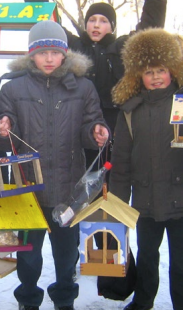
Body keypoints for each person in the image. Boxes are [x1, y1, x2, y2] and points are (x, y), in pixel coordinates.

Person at [0, 20, 110, 310]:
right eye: (42, 52)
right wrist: (4, 129)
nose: (49, 58)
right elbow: (5, 139)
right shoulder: (13, 88)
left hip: (68, 187)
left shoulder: (83, 87)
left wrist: (96, 130)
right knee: (29, 255)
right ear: (31, 54)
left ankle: (64, 299)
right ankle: (29, 299)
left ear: (65, 54)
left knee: (65, 254)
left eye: (55, 52)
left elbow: (89, 126)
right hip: (28, 188)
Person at [110, 28, 183, 310]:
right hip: (145, 201)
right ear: (137, 74)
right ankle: (143, 301)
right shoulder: (130, 110)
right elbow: (122, 162)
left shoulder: (181, 103)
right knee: (146, 257)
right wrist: (117, 203)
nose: (155, 77)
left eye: (161, 70)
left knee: (180, 263)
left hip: (180, 200)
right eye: (148, 71)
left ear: (173, 70)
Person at [63, 0, 167, 168]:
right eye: (92, 20)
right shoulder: (74, 46)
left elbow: (150, 28)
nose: (96, 25)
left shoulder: (122, 47)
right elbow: (46, 22)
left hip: (114, 132)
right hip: (77, 131)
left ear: (112, 27)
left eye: (103, 21)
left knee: (111, 186)